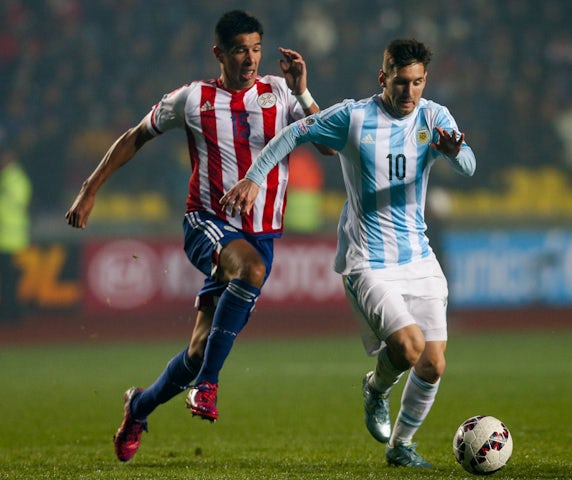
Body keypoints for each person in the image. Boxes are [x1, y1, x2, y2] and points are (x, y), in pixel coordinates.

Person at [66, 10, 332, 462]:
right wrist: (90, 189)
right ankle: (207, 388)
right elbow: (135, 136)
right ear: (219, 53)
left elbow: (326, 142)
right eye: (239, 50)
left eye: (255, 49)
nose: (249, 60)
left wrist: (304, 90)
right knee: (251, 270)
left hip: (260, 232)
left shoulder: (279, 91)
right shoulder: (192, 99)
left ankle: (139, 407)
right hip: (206, 222)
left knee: (196, 351)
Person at [220, 38, 476, 468]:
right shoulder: (354, 116)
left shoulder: (434, 117)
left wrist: (455, 153)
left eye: (416, 83)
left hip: (418, 255)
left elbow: (469, 164)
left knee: (432, 364)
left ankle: (401, 446)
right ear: (383, 77)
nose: (408, 92)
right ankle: (376, 388)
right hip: (369, 261)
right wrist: (253, 177)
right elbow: (295, 133)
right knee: (409, 348)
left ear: (425, 81)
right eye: (400, 82)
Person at [0, 145, 32, 323]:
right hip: (8, 237)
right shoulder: (9, 178)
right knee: (9, 279)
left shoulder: (15, 179)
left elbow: (12, 206)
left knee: (10, 279)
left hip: (11, 239)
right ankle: (11, 311)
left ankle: (12, 313)